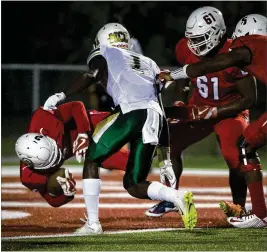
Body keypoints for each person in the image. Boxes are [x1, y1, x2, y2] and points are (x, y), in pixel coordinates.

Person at [43, 23, 198, 235]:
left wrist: (62, 94)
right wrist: (165, 158)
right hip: (155, 118)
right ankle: (176, 196)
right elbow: (159, 106)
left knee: (91, 158)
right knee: (133, 184)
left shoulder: (106, 52)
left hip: (131, 112)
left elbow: (92, 75)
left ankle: (93, 223)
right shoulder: (149, 62)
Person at [146, 7, 257, 221]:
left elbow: (249, 98)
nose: (194, 45)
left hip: (230, 111)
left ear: (216, 33)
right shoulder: (185, 49)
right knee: (169, 141)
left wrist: (215, 111)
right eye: (192, 39)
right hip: (198, 107)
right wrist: (181, 100)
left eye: (201, 38)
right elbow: (185, 74)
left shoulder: (235, 52)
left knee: (234, 155)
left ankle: (239, 208)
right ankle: (171, 196)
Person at [15, 101, 129, 207]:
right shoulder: (29, 176)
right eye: (51, 160)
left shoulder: (45, 119)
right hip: (82, 149)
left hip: (86, 126)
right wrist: (67, 194)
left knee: (128, 124)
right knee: (126, 163)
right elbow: (52, 200)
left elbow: (76, 106)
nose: (57, 156)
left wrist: (83, 133)